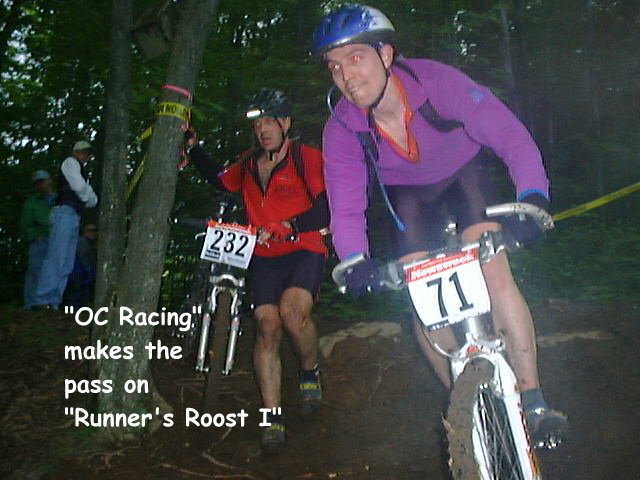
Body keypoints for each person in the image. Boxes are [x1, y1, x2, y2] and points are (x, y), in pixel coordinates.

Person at [312, 4, 567, 446]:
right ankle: (466, 413)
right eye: (335, 67)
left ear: (386, 54)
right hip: (407, 200)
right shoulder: (343, 127)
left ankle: (534, 399)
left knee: (493, 268)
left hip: (463, 178)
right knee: (421, 298)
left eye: (355, 59)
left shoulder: (436, 82)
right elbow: (346, 203)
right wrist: (353, 260)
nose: (346, 77)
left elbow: (509, 135)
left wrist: (533, 197)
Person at [188, 89, 330, 451]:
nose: (263, 129)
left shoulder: (306, 158)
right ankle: (271, 416)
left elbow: (328, 206)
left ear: (286, 123)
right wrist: (193, 148)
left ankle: (309, 371)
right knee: (267, 326)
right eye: (257, 123)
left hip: (303, 248)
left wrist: (290, 225)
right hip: (263, 255)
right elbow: (220, 179)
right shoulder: (249, 163)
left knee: (293, 314)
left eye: (270, 121)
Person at [33, 140, 98, 310]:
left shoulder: (82, 170)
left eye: (87, 153)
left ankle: (53, 302)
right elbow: (80, 188)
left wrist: (90, 197)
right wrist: (91, 197)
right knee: (57, 257)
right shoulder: (70, 163)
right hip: (64, 213)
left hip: (73, 216)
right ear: (76, 152)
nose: (85, 155)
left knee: (66, 262)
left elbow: (87, 195)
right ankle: (43, 299)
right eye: (82, 152)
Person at [20, 170, 56, 310]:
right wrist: (35, 236)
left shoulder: (59, 199)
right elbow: (26, 224)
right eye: (38, 183)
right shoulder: (32, 202)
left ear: (49, 181)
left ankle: (51, 303)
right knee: (35, 270)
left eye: (42, 181)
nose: (41, 185)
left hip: (57, 240)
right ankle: (32, 304)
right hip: (40, 240)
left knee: (55, 271)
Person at [63, 223, 98, 308]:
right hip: (77, 273)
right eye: (90, 230)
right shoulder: (81, 242)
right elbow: (83, 259)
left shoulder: (92, 244)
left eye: (95, 231)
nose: (93, 233)